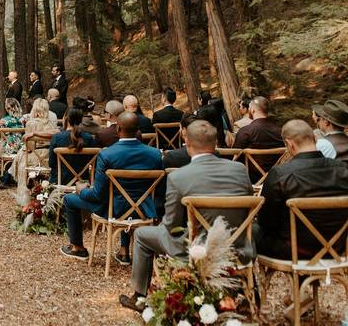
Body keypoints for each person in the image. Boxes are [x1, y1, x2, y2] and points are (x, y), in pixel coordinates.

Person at [119, 120, 253, 311]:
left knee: (141, 235)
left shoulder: (178, 177)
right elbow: (247, 210)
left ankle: (139, 297)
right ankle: (243, 295)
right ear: (215, 143)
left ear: (187, 143)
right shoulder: (240, 170)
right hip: (236, 245)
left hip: (194, 248)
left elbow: (171, 225)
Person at [60, 112, 163, 262]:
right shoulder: (154, 154)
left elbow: (97, 195)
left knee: (69, 199)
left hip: (114, 209)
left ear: (118, 129)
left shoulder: (107, 155)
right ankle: (124, 250)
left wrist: (82, 190)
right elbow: (160, 188)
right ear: (137, 130)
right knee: (124, 195)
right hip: (145, 209)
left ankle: (78, 248)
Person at [257, 119, 348, 260]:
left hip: (295, 250)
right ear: (315, 138)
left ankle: (251, 281)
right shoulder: (343, 169)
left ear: (289, 144)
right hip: (339, 247)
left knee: (252, 230)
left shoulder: (280, 174)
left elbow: (267, 222)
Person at [232, 95, 284, 179]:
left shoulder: (246, 131)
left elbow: (234, 158)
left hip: (252, 179)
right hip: (278, 176)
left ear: (252, 110)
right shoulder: (281, 131)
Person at [45, 108, 96, 180]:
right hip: (82, 180)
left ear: (66, 119)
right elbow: (93, 161)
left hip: (59, 180)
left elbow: (51, 163)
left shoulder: (57, 138)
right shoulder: (89, 138)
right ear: (80, 120)